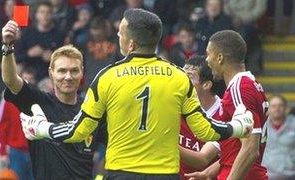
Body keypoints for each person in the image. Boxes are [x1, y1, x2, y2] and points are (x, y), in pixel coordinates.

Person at [20, 9, 253, 179]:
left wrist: (41, 128)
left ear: (130, 43)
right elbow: (206, 129)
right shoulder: (179, 77)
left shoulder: (107, 76)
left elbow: (79, 130)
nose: (117, 36)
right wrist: (239, 126)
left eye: (120, 32)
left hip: (122, 173)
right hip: (164, 174)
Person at [1, 20, 107, 179]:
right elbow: (10, 80)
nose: (68, 77)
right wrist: (8, 46)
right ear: (51, 73)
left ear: (82, 72)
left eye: (74, 71)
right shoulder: (37, 101)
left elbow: (115, 145)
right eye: (62, 71)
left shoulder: (92, 108)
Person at [185, 30, 268, 180]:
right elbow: (235, 147)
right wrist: (209, 173)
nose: (207, 61)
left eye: (209, 54)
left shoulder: (240, 88)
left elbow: (250, 149)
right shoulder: (248, 85)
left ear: (220, 57)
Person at [179, 55, 220, 179]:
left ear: (207, 85)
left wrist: (162, 142)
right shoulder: (175, 106)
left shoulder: (224, 114)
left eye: (189, 77)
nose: (181, 81)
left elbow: (201, 159)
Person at [262, 95, 295, 179]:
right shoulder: (261, 125)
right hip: (266, 176)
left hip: (291, 175)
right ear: (268, 109)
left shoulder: (293, 124)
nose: (277, 108)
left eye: (280, 105)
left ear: (286, 108)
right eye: (273, 106)